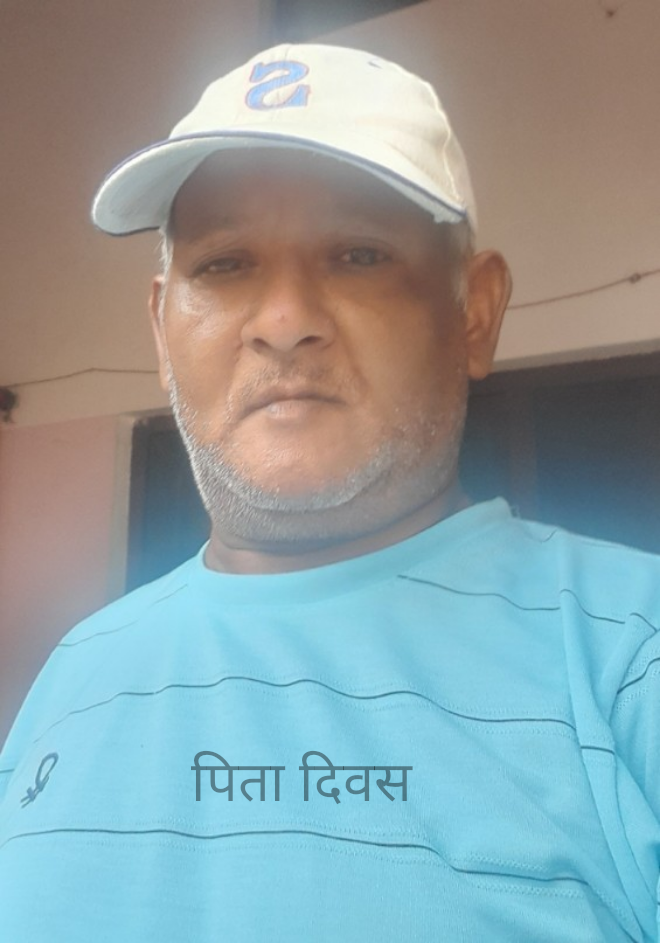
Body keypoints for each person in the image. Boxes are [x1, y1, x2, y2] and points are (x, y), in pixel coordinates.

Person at [0, 42, 658, 943]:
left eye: (358, 253)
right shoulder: (76, 670)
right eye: (225, 263)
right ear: (160, 328)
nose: (284, 322)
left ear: (474, 312)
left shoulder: (628, 658)